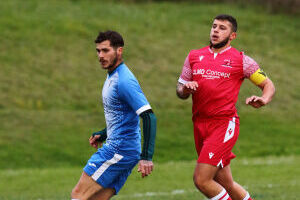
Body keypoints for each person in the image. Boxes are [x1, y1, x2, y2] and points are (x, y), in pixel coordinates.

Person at [176, 14, 275, 200]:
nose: (216, 30)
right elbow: (179, 90)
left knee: (202, 180)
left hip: (223, 125)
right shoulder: (194, 56)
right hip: (199, 125)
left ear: (232, 36)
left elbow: (268, 85)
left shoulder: (241, 60)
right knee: (225, 183)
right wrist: (185, 90)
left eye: (222, 28)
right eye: (214, 26)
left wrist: (264, 99)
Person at [71, 30, 157, 200]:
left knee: (78, 195)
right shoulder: (113, 76)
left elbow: (148, 116)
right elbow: (123, 116)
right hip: (125, 149)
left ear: (119, 51)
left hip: (118, 149)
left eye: (105, 50)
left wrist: (147, 157)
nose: (100, 55)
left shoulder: (123, 80)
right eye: (98, 51)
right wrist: (103, 134)